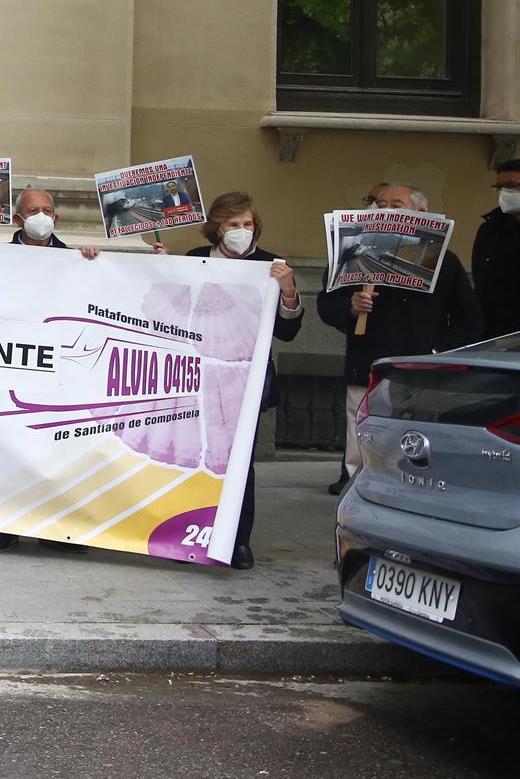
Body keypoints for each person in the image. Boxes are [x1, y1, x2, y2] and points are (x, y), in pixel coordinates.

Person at [318, 183, 482, 496]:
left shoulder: (444, 262)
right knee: (361, 429)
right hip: (367, 362)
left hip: (419, 368)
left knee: (412, 435)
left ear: (420, 214)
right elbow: (326, 305)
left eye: (397, 204)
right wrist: (350, 307)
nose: (387, 210)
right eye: (381, 203)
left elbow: (470, 319)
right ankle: (355, 486)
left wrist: (435, 349)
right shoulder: (353, 254)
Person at [185, 192, 302, 569]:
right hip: (198, 374)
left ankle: (237, 540)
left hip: (246, 380)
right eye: (233, 225)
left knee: (239, 462)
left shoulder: (271, 266)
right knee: (194, 456)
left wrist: (288, 292)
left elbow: (288, 332)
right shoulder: (194, 260)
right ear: (216, 227)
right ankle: (186, 533)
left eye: (247, 224)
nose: (241, 231)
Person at [0, 188, 100, 553]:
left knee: (56, 446)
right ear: (18, 219)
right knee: (10, 444)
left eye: (47, 210)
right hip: (11, 363)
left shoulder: (76, 260)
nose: (41, 216)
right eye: (33, 210)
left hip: (57, 368)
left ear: (57, 218)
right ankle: (8, 523)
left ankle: (57, 528)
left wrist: (95, 264)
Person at [471, 158, 520, 339]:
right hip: (495, 332)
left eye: (512, 186)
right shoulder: (489, 229)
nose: (504, 193)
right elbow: (481, 281)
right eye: (499, 187)